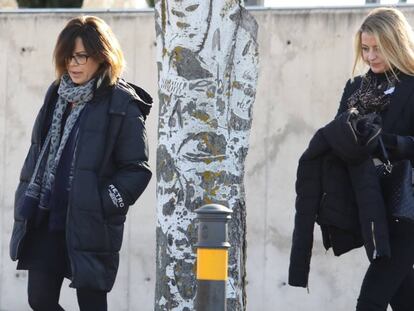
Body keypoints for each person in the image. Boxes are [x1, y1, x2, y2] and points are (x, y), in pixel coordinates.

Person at [9, 15, 152, 310]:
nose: (73, 64)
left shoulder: (123, 104)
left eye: (81, 56)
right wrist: (25, 196)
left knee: (91, 304)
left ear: (102, 56)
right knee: (40, 299)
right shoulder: (57, 94)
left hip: (90, 222)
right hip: (48, 215)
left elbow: (136, 170)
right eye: (68, 57)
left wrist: (102, 203)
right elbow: (38, 153)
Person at [289, 7, 414, 310]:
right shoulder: (355, 89)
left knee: (369, 301)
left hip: (407, 210)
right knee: (404, 299)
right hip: (373, 210)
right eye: (365, 48)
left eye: (378, 48)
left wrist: (382, 143)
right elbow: (339, 138)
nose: (370, 56)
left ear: (396, 43)